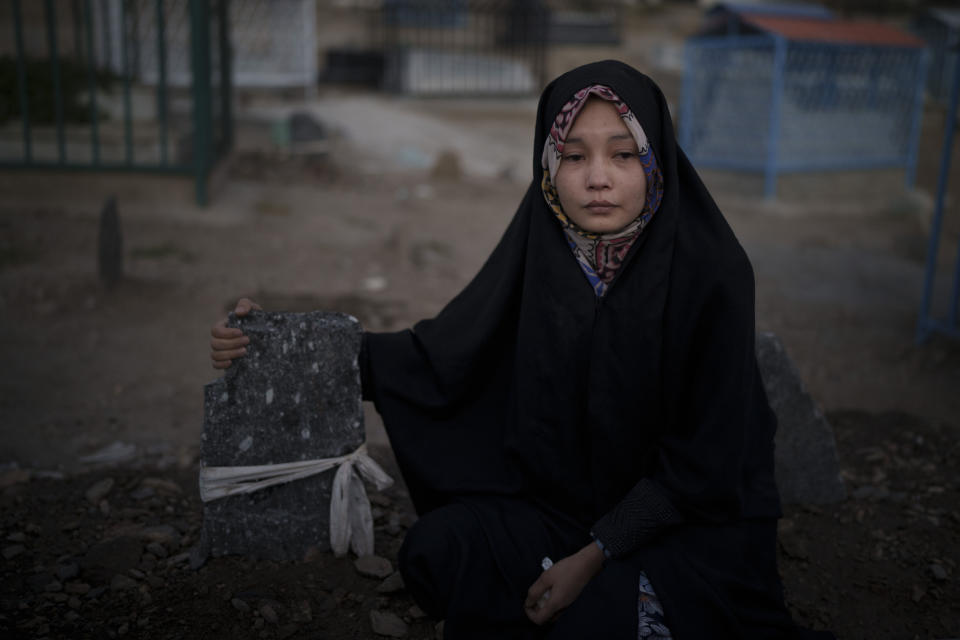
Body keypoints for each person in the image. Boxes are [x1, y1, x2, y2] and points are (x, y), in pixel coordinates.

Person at [211, 61, 835, 640]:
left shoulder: (712, 273)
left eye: (624, 154)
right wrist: (278, 342)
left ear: (657, 161)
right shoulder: (542, 253)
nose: (598, 177)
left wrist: (593, 558)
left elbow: (703, 469)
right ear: (546, 167)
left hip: (682, 522)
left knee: (604, 615)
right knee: (434, 553)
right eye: (573, 155)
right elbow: (440, 358)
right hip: (560, 510)